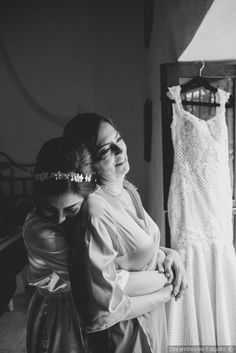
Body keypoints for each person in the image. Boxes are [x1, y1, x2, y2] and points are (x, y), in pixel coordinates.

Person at [63, 113, 188, 353]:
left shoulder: (128, 190)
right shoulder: (94, 210)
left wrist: (170, 254)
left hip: (153, 318)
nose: (120, 151)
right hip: (127, 333)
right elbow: (101, 302)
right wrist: (167, 288)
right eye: (105, 150)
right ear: (87, 162)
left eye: (118, 139)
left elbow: (133, 251)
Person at [23, 137, 96, 353]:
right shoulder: (39, 231)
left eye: (71, 208)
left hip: (88, 305)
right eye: (50, 208)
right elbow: (96, 277)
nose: (61, 219)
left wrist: (163, 252)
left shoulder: (93, 209)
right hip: (59, 311)